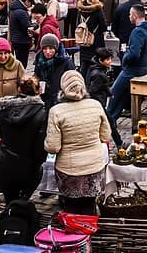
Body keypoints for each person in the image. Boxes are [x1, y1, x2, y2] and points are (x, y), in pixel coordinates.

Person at [45, 70, 110, 216]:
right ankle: (89, 231)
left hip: (69, 170)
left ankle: (75, 236)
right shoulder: (96, 105)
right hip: (94, 166)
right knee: (90, 205)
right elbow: (105, 135)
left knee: (71, 208)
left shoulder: (56, 111)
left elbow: (53, 147)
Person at [0, 76, 48, 204]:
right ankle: (18, 214)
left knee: (10, 197)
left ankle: (11, 216)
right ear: (38, 91)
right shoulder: (42, 113)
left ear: (18, 89)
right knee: (22, 198)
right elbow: (41, 145)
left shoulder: (5, 108)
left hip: (6, 161)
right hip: (28, 164)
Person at [106, 5, 147, 124]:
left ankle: (107, 120)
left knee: (113, 93)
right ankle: (112, 119)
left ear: (134, 15)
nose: (129, 17)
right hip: (145, 67)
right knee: (122, 95)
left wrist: (124, 58)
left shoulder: (137, 32)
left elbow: (134, 54)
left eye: (130, 14)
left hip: (133, 69)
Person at [86, 47, 121, 148]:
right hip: (98, 104)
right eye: (107, 60)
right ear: (101, 60)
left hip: (98, 103)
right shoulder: (99, 75)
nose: (110, 62)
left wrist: (108, 92)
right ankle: (119, 144)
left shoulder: (95, 68)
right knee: (110, 123)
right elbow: (92, 90)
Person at [33, 33, 74, 111]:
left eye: (51, 48)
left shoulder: (66, 62)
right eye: (45, 48)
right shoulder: (39, 60)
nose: (48, 52)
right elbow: (36, 77)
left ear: (56, 48)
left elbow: (72, 82)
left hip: (61, 101)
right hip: (44, 98)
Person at [77, 0, 106, 77]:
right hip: (95, 40)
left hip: (83, 39)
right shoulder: (98, 9)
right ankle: (91, 82)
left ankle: (83, 81)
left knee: (84, 63)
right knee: (94, 62)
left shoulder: (81, 9)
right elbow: (103, 26)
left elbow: (78, 23)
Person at [9, 0, 35, 68]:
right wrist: (36, 24)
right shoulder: (21, 12)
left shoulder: (14, 8)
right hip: (22, 41)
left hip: (16, 40)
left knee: (19, 62)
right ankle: (21, 78)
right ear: (27, 1)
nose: (31, 5)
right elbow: (28, 27)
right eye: (31, 3)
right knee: (22, 64)